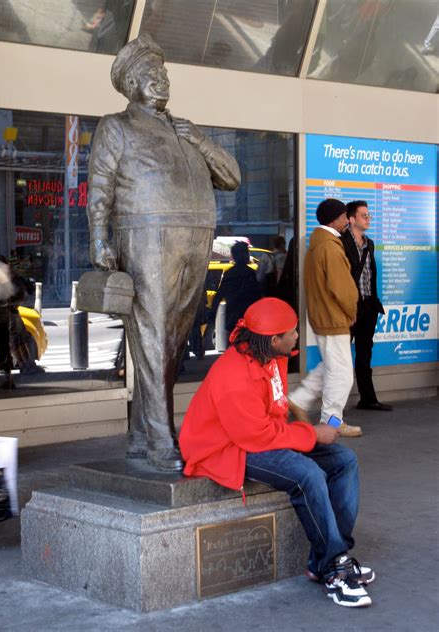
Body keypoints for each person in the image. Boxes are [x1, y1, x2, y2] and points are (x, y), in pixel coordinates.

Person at [86, 34, 241, 471]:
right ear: (132, 83)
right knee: (153, 337)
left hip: (195, 240)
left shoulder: (184, 129)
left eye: (164, 72)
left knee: (171, 343)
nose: (162, 80)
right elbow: (100, 187)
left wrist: (201, 142)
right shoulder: (116, 126)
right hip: (145, 238)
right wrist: (100, 238)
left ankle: (140, 434)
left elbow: (231, 178)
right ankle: (159, 438)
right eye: (152, 74)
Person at [180, 298, 374, 608]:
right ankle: (334, 566)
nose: (297, 336)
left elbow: (275, 414)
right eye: (293, 332)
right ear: (274, 339)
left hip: (258, 436)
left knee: (343, 461)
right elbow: (256, 437)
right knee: (306, 474)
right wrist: (311, 434)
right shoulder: (234, 375)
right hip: (229, 449)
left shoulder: (272, 356)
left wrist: (307, 433)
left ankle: (332, 556)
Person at [288, 199, 362, 437]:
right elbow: (343, 288)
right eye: (344, 217)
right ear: (334, 219)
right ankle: (332, 421)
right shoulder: (330, 247)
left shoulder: (319, 244)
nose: (347, 221)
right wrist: (351, 311)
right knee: (341, 373)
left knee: (331, 365)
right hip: (334, 318)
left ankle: (299, 399)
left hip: (324, 316)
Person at [342, 201, 392, 412]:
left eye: (369, 215)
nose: (368, 218)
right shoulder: (341, 242)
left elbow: (370, 275)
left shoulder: (369, 243)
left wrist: (372, 303)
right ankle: (335, 406)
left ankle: (368, 399)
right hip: (349, 307)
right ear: (351, 219)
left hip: (368, 305)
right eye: (364, 215)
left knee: (365, 353)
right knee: (341, 355)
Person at [210, 241, 261, 338]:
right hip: (248, 319)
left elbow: (220, 294)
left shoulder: (230, 274)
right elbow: (257, 296)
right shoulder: (250, 273)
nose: (248, 255)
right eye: (246, 253)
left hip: (232, 319)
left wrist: (213, 312)